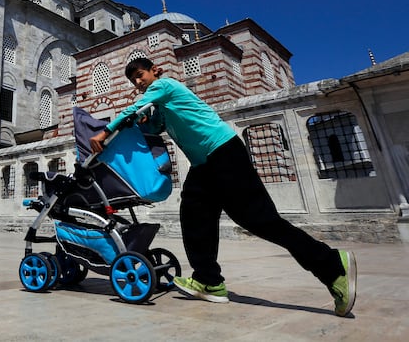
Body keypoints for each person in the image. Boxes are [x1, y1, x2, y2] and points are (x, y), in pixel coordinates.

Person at [89, 58, 357, 317]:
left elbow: (132, 110)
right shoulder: (160, 103)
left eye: (140, 76)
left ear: (154, 70)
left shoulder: (165, 85)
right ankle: (209, 281)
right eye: (133, 80)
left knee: (260, 220)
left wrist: (104, 131)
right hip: (204, 165)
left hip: (224, 153)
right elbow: (152, 125)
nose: (138, 82)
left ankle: (333, 266)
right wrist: (142, 123)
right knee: (194, 216)